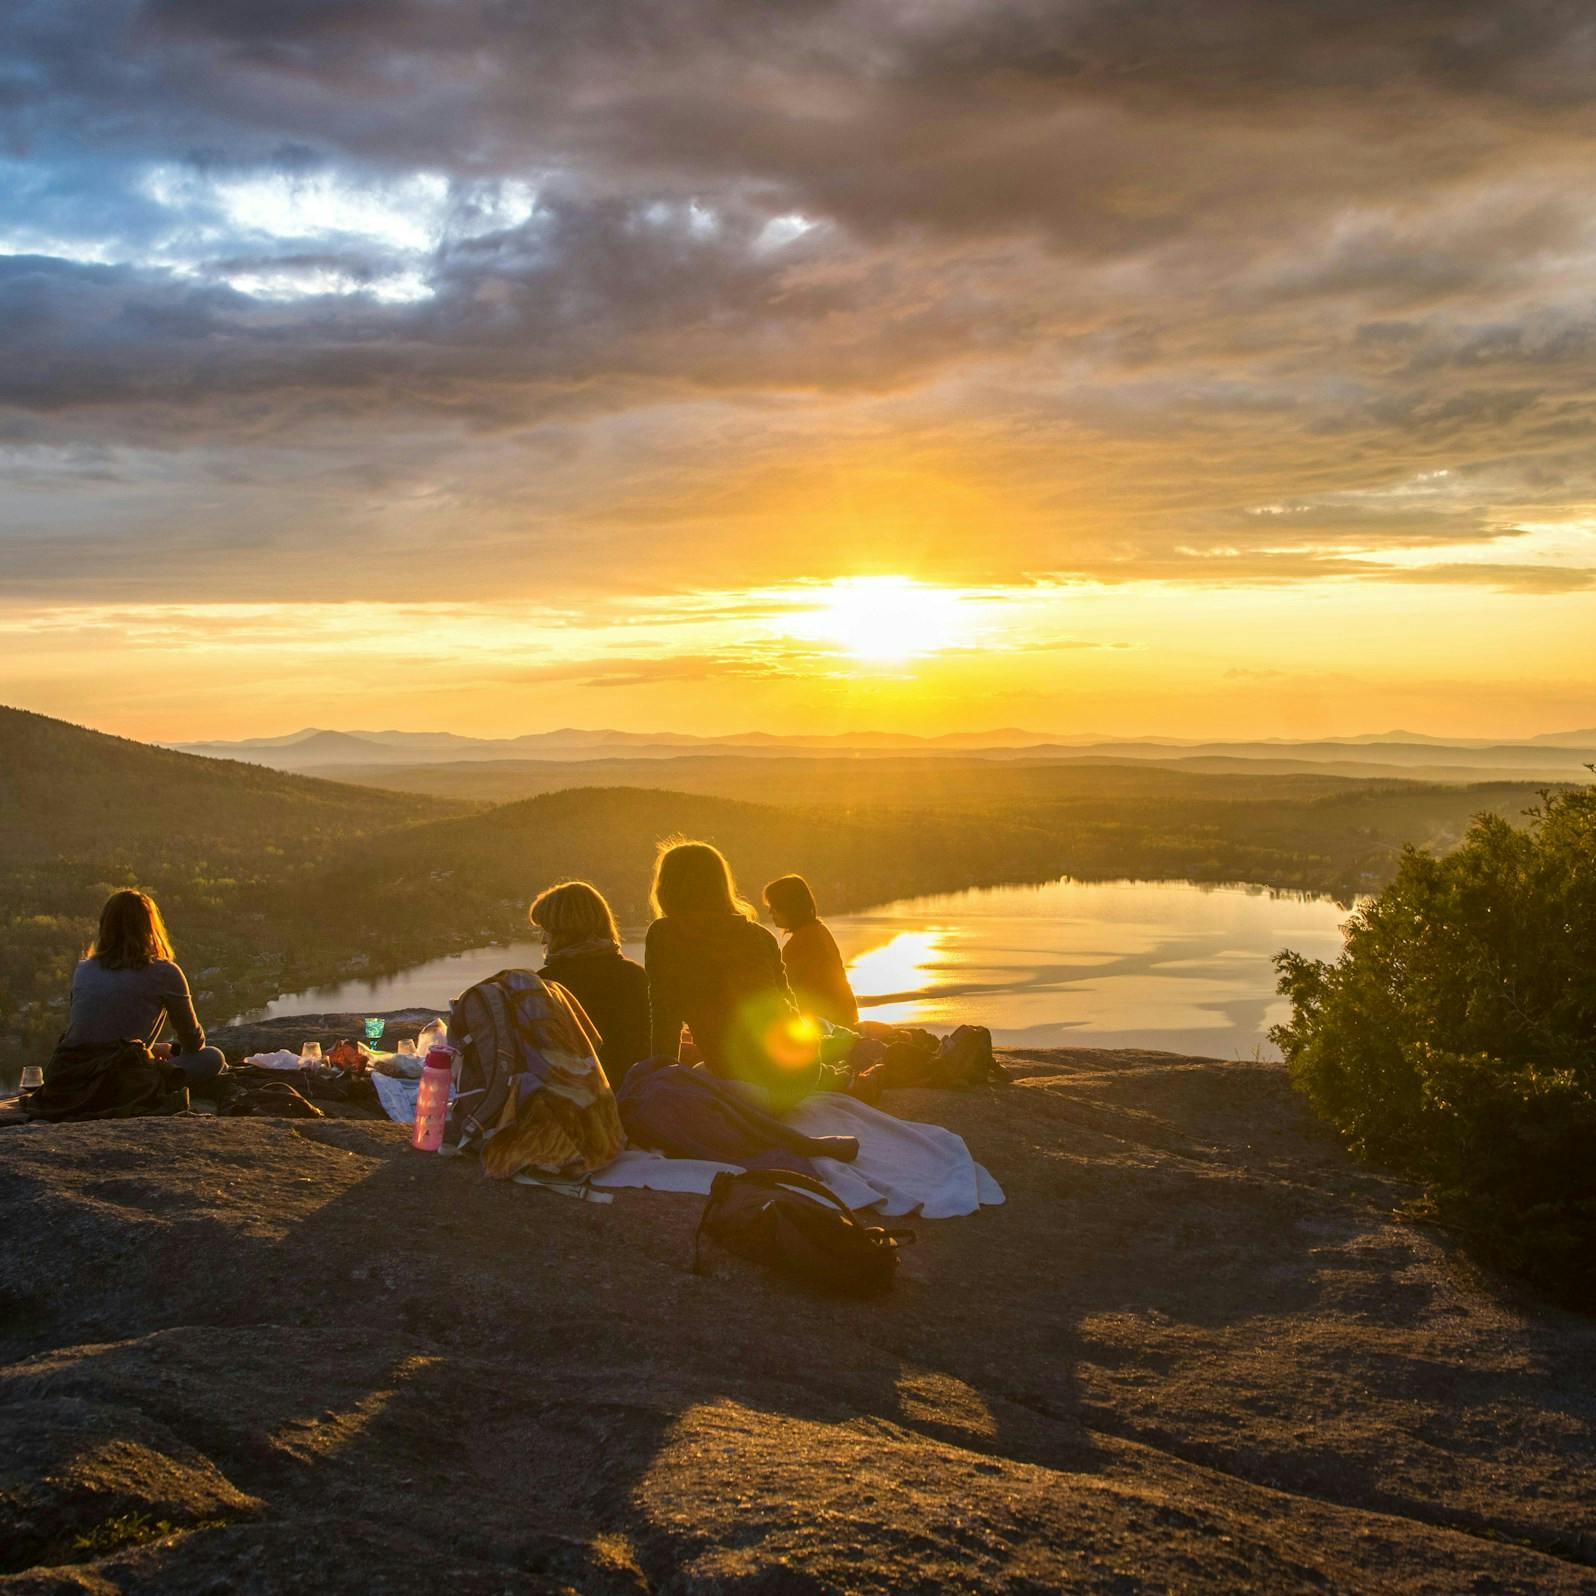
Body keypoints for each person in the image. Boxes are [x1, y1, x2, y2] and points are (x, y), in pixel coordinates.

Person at [644, 840, 821, 1106]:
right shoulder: (760, 935)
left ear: (666, 887)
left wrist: (660, 1086)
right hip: (801, 1076)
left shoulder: (665, 934)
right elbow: (790, 1009)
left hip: (746, 1084)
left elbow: (664, 1017)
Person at [59, 890, 225, 1092]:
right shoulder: (164, 972)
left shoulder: (83, 969)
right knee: (213, 1058)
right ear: (150, 926)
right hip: (123, 1082)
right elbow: (192, 1043)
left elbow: (97, 1036)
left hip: (73, 1077)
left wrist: (154, 1049)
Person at [530, 879, 650, 1087]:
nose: (543, 940)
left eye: (546, 930)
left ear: (562, 931)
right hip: (636, 1097)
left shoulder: (547, 985)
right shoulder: (636, 976)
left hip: (576, 1104)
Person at [763, 873, 859, 1029]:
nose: (771, 912)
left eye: (775, 906)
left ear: (789, 907)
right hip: (844, 1017)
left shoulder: (800, 943)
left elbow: (785, 991)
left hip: (826, 1024)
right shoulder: (819, 930)